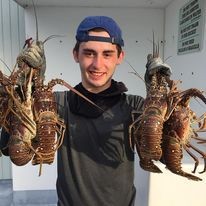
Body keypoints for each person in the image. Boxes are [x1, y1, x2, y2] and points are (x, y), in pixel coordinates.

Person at [0, 16, 171, 206]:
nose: (97, 64)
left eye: (107, 54)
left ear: (119, 57)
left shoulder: (136, 106)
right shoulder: (56, 103)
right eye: (89, 53)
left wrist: (162, 95)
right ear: (76, 54)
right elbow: (8, 147)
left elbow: (163, 154)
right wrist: (25, 86)